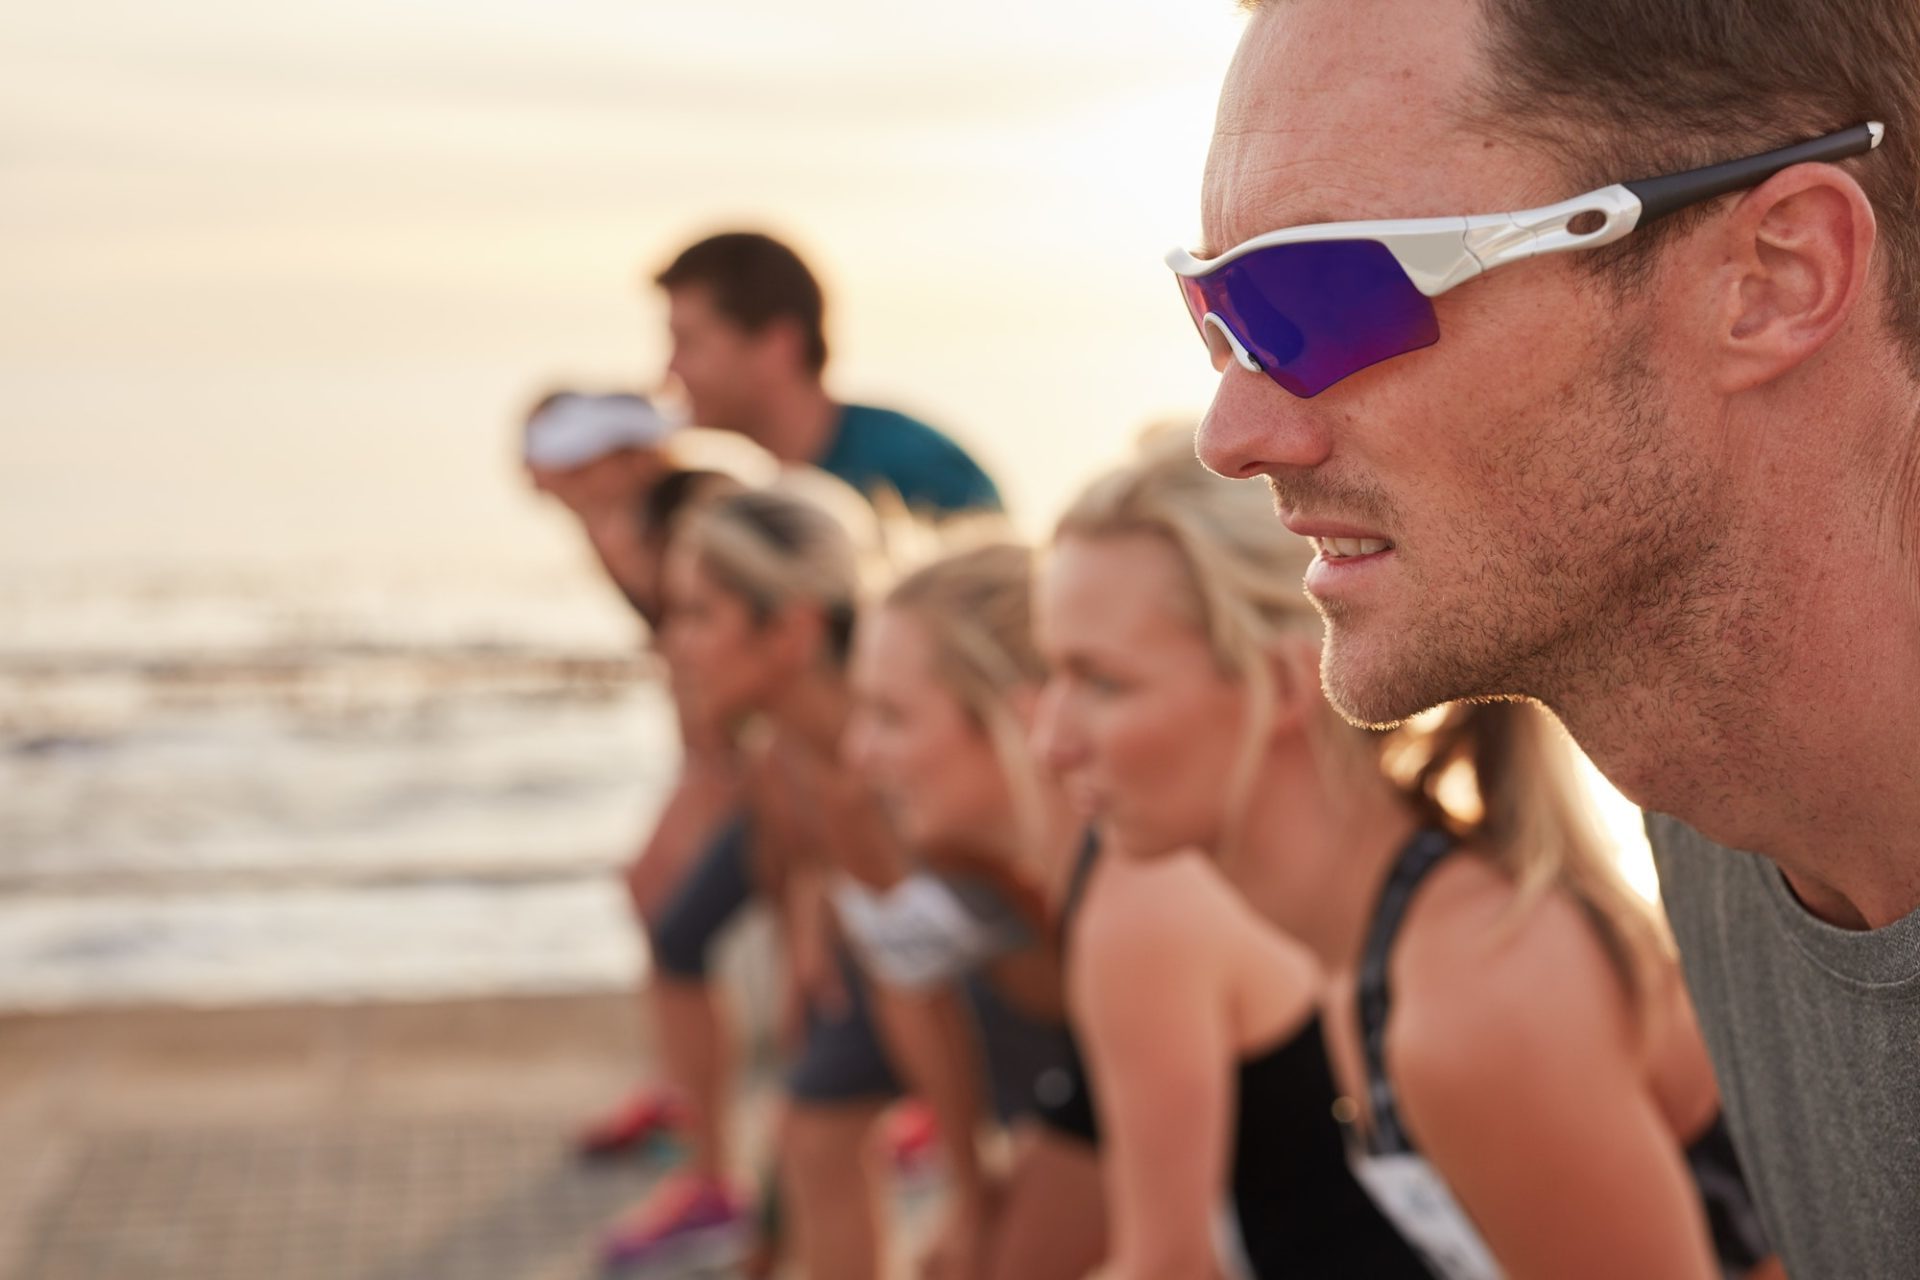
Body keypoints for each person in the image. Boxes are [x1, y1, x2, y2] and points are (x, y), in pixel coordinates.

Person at [1178, 2, 1920, 1272]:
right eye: (1220, 314)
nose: (1234, 430)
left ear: (1775, 275)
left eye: (1325, 293)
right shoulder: (1710, 797)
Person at [1032, 437, 1772, 1279]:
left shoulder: (1471, 998)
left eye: (1101, 683)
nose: (1048, 742)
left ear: (1278, 687)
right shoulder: (1373, 960)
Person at [652, 490, 1066, 1280]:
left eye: (699, 615)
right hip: (938, 992)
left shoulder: (940, 773)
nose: (673, 644)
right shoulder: (783, 773)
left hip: (1053, 1014)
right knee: (811, 1127)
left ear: (792, 631)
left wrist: (976, 1194)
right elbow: (902, 979)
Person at [842, 543, 1105, 1280]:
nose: (857, 753)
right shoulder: (1018, 874)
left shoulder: (1125, 891)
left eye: (891, 717)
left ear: (1012, 716)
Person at [652, 230, 1003, 517]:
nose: (670, 369)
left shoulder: (917, 475)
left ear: (779, 346)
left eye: (688, 342)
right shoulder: (777, 497)